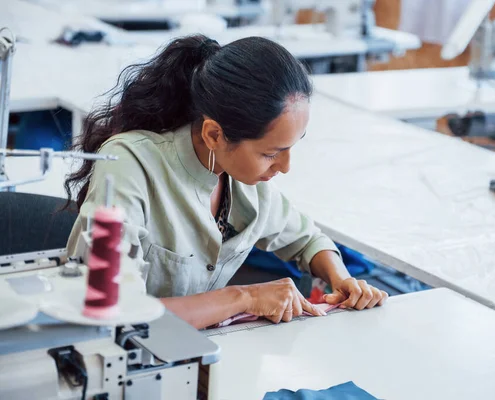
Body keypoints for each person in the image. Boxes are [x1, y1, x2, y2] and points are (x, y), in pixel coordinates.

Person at [65, 35, 388, 329]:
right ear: (214, 134)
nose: (285, 167)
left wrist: (341, 278)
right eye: (271, 152)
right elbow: (113, 310)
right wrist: (244, 298)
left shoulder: (243, 177)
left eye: (292, 147)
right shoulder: (131, 164)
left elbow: (305, 240)